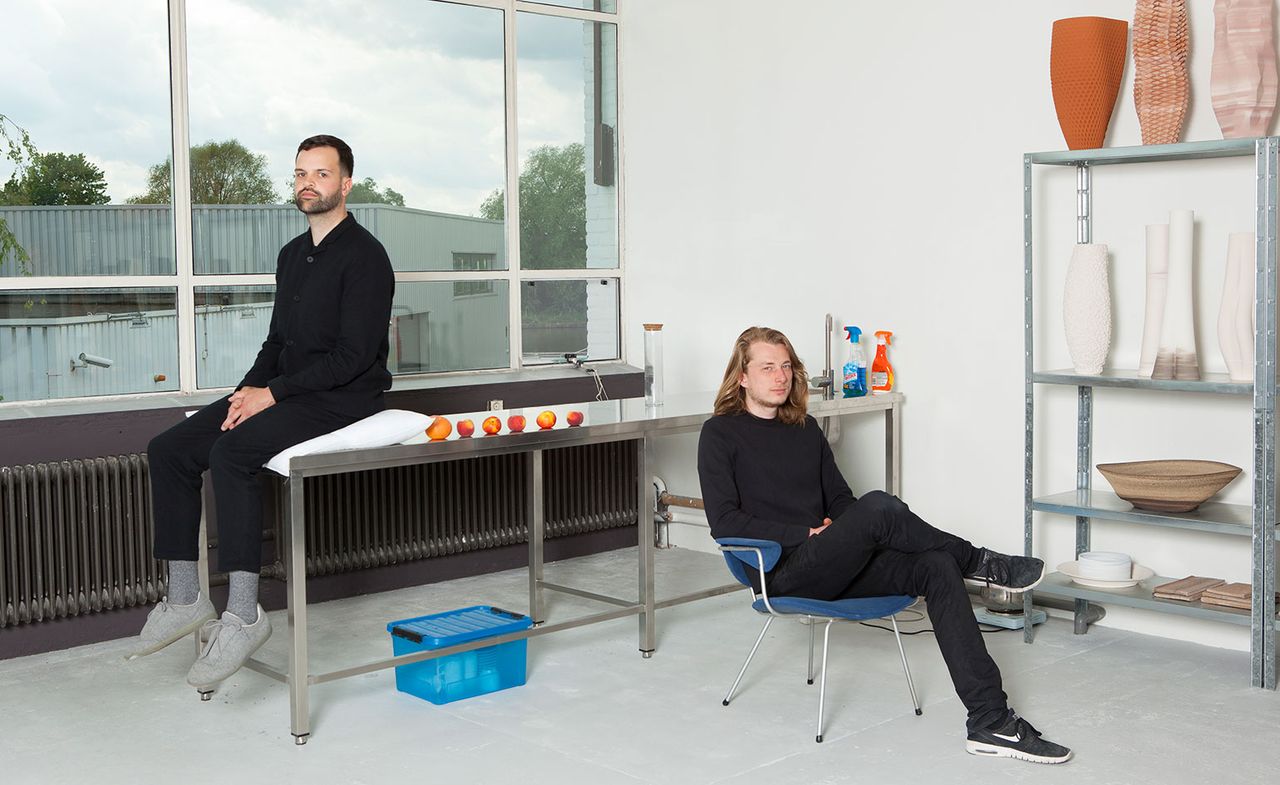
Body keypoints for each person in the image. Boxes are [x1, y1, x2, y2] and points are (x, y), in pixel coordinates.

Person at [697, 326, 1072, 765]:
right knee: (878, 507)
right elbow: (724, 522)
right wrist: (806, 535)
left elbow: (839, 499)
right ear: (741, 376)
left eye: (786, 367)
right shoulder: (719, 434)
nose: (780, 377)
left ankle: (991, 721)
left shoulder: (805, 429)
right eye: (766, 368)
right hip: (783, 571)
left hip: (833, 563)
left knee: (934, 564)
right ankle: (983, 562)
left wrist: (840, 527)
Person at [127, 135, 395, 689]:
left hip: (345, 395)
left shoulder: (366, 257)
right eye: (300, 173)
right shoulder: (292, 256)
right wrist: (247, 392)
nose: (308, 183)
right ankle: (183, 596)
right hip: (289, 387)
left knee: (231, 455)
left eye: (321, 174)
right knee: (170, 448)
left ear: (346, 184)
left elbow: (352, 357)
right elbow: (277, 343)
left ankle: (245, 613)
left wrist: (272, 396)